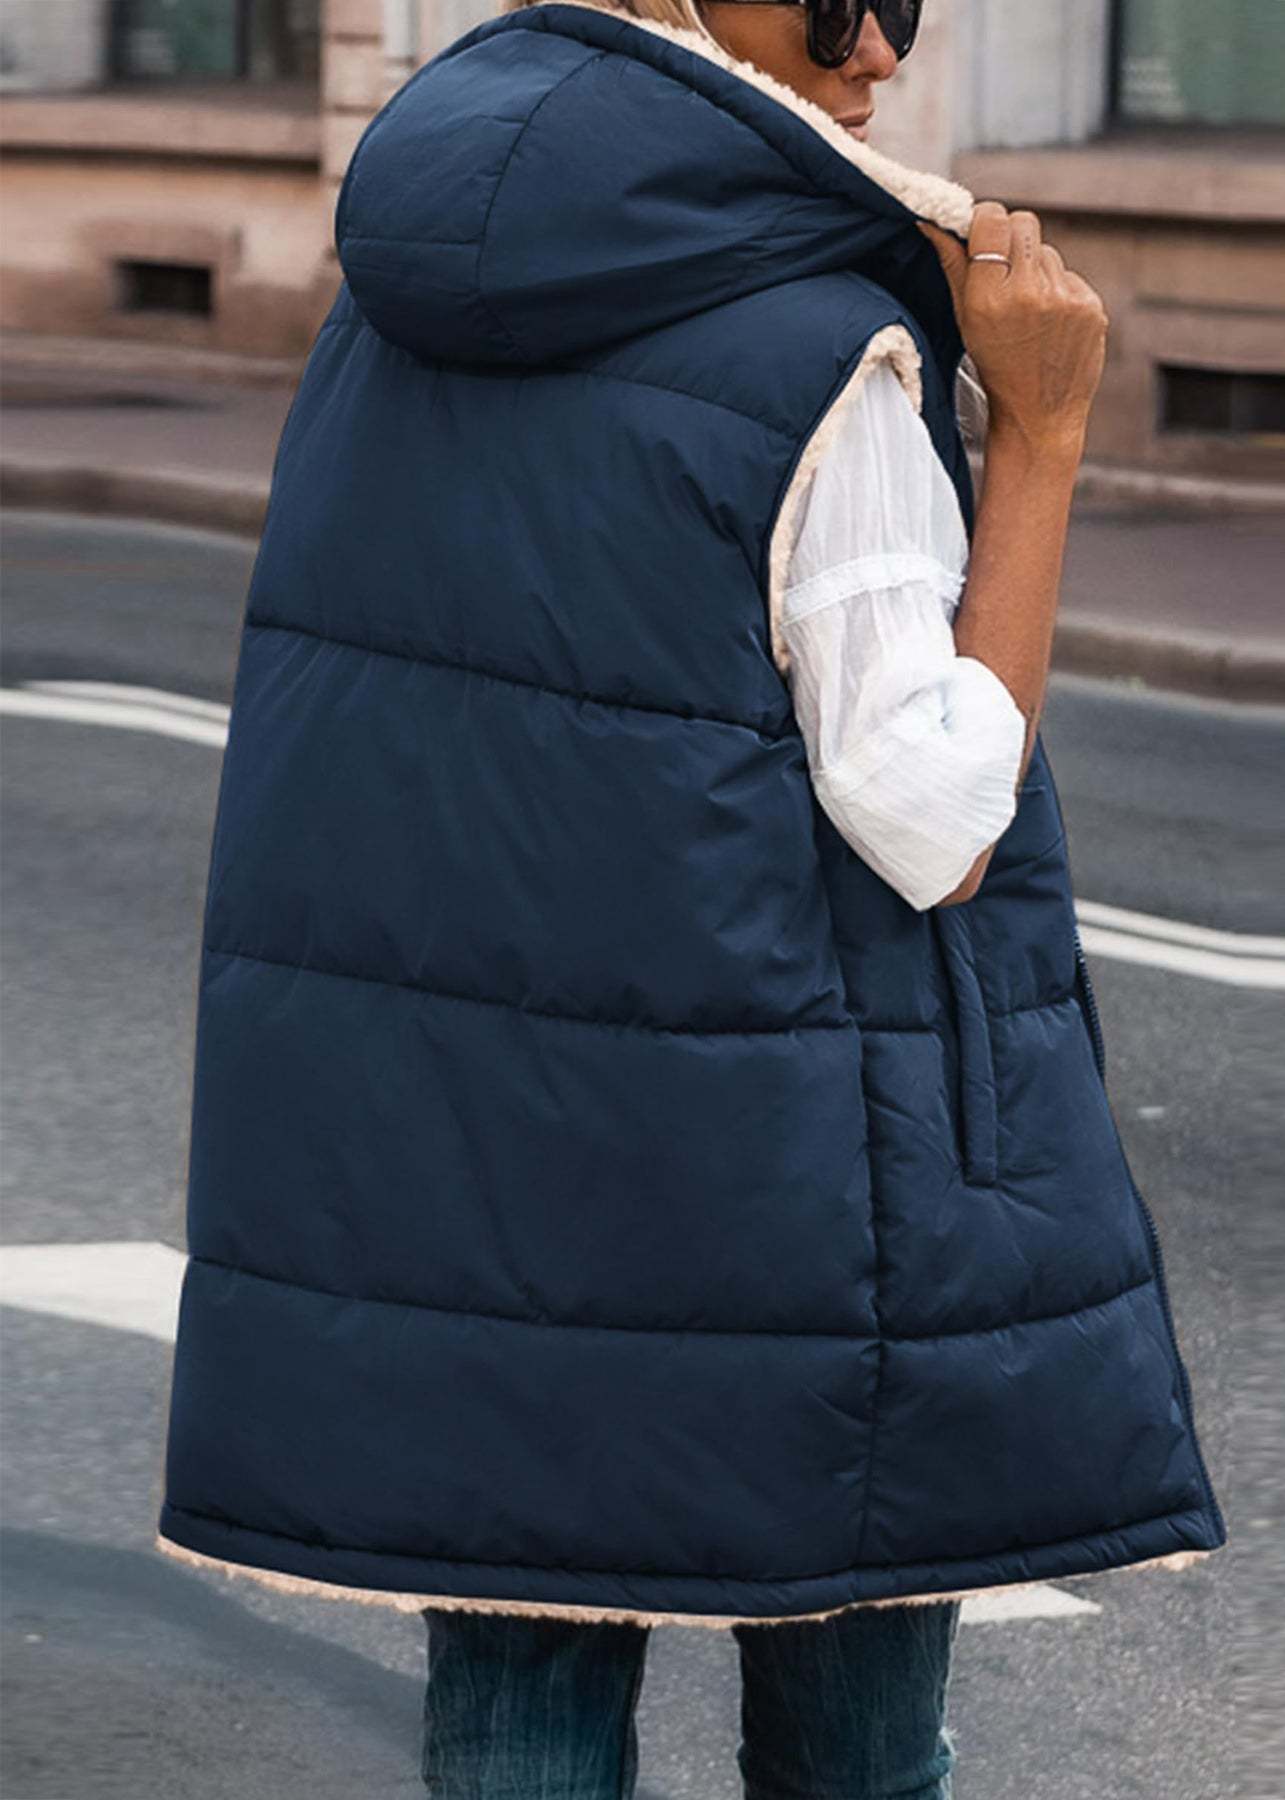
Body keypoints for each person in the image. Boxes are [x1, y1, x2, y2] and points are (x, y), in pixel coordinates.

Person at [153, 0, 1226, 1794]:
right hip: (801, 1195)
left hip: (465, 1176)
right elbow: (934, 820)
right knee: (851, 1733)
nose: (878, 53)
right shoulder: (824, 349)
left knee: (520, 1710)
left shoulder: (397, 302)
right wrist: (1041, 438)